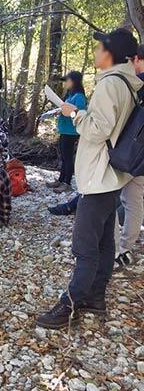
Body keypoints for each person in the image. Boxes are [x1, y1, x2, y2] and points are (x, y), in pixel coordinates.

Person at [36, 28, 142, 329]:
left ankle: (68, 304)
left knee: (84, 247)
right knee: (105, 243)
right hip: (113, 176)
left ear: (110, 54)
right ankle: (95, 298)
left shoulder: (110, 84)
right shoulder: (129, 83)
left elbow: (98, 130)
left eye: (100, 48)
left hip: (98, 177)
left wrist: (73, 114)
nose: (96, 53)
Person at [114, 44, 144, 267]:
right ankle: (126, 246)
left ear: (137, 59)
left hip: (126, 152)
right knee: (135, 202)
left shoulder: (136, 84)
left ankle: (114, 249)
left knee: (110, 198)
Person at [46, 71, 88, 193]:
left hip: (71, 131)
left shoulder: (79, 96)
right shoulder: (70, 96)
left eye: (67, 81)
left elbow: (80, 114)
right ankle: (61, 180)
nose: (66, 83)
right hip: (65, 130)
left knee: (68, 157)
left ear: (74, 81)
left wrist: (67, 111)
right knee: (64, 157)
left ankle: (67, 183)